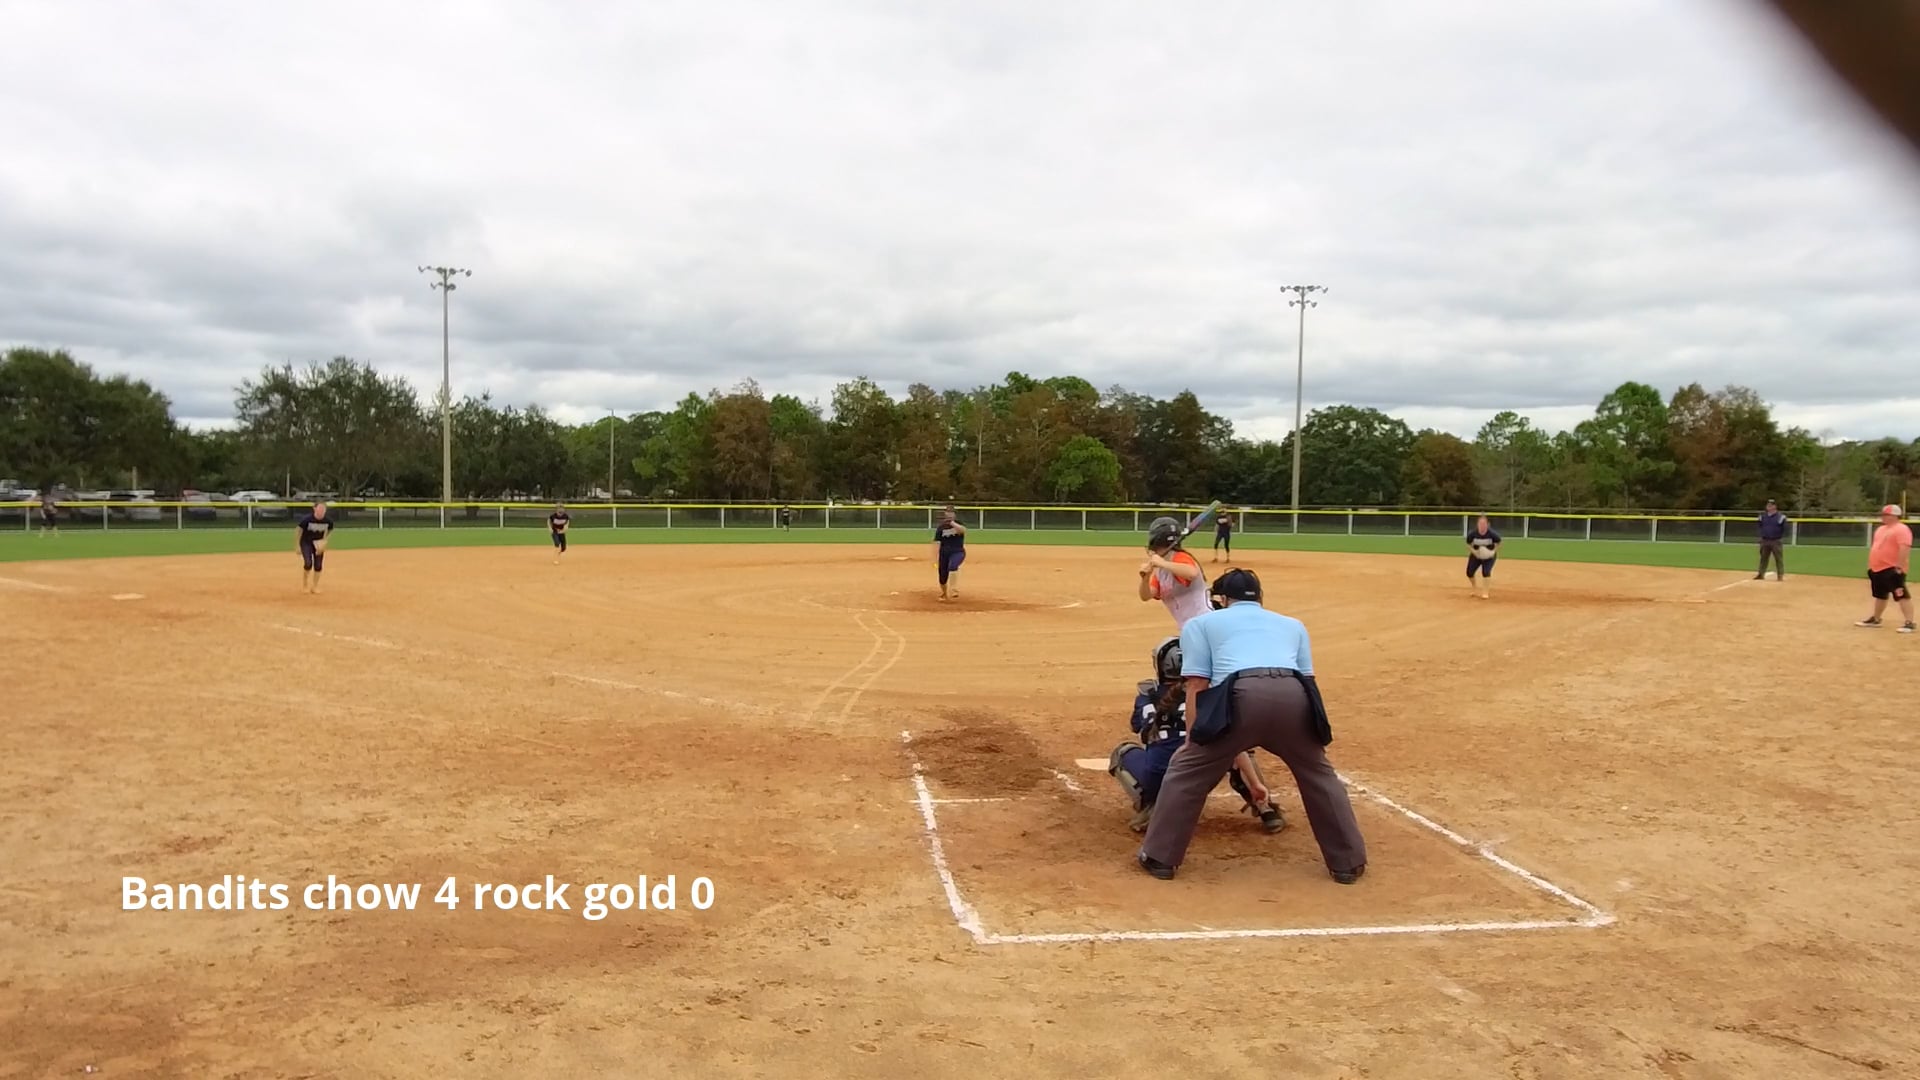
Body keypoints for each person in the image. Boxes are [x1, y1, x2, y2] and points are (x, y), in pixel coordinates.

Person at [1137, 568, 1368, 884]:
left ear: (1222, 599)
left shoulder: (1200, 624)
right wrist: (1316, 736)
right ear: (1259, 597)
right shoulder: (1293, 625)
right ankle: (1348, 864)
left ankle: (1160, 858)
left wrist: (1193, 741)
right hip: (1294, 697)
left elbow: (1197, 685)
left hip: (1240, 698)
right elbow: (1308, 682)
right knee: (1318, 774)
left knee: (1187, 773)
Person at [1109, 637, 1284, 834]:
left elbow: (1139, 728)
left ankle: (1154, 804)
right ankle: (1266, 808)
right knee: (1234, 747)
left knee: (1122, 752)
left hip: (1163, 777)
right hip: (1202, 776)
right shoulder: (1210, 692)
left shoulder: (1147, 694)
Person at [1138, 516, 1209, 627]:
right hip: (1189, 626)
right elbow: (1146, 596)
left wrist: (1162, 563)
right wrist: (1145, 578)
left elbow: (1192, 573)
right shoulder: (1161, 571)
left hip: (1204, 621)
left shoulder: (1179, 557)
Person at [1855, 504, 1914, 633]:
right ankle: (1876, 619)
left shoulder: (1901, 529)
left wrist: (1899, 566)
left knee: (1901, 595)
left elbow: (1904, 548)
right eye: (1883, 514)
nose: (1883, 517)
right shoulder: (1881, 529)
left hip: (1892, 568)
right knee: (1880, 595)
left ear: (1895, 516)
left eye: (1886, 515)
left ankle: (1909, 622)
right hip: (1877, 568)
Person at [296, 501, 335, 594]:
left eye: (323, 509)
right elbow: (299, 530)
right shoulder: (307, 519)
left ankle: (315, 587)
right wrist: (297, 545)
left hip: (318, 543)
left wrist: (324, 540)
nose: (321, 511)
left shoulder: (328, 521)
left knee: (318, 565)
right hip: (306, 542)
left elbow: (330, 530)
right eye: (319, 508)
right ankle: (305, 585)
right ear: (314, 509)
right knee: (308, 563)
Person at [934, 506, 966, 601]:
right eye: (948, 512)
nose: (950, 514)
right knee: (942, 577)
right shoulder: (941, 527)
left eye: (952, 512)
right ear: (945, 514)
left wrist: (952, 523)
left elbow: (962, 530)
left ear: (955, 515)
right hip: (944, 554)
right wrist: (935, 558)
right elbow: (937, 542)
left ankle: (953, 589)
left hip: (958, 552)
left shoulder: (959, 523)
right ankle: (944, 593)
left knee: (953, 565)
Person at [1466, 515, 1500, 599]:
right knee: (1469, 572)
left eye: (1484, 524)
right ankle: (1474, 587)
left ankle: (1485, 592)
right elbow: (1468, 544)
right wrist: (1474, 552)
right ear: (1477, 524)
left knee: (1486, 572)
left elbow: (1499, 542)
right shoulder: (1473, 534)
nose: (1482, 526)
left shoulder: (1492, 534)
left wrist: (1493, 552)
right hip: (1477, 555)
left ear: (1488, 525)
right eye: (1480, 524)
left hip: (1489, 556)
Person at [1756, 500, 1787, 580]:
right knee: (1763, 558)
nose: (1768, 506)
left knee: (1778, 558)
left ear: (1775, 506)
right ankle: (1761, 573)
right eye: (1768, 505)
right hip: (1765, 540)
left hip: (1776, 540)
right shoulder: (1763, 517)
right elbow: (1760, 526)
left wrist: (1779, 537)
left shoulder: (1781, 517)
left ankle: (1780, 575)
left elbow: (1785, 528)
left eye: (1771, 505)